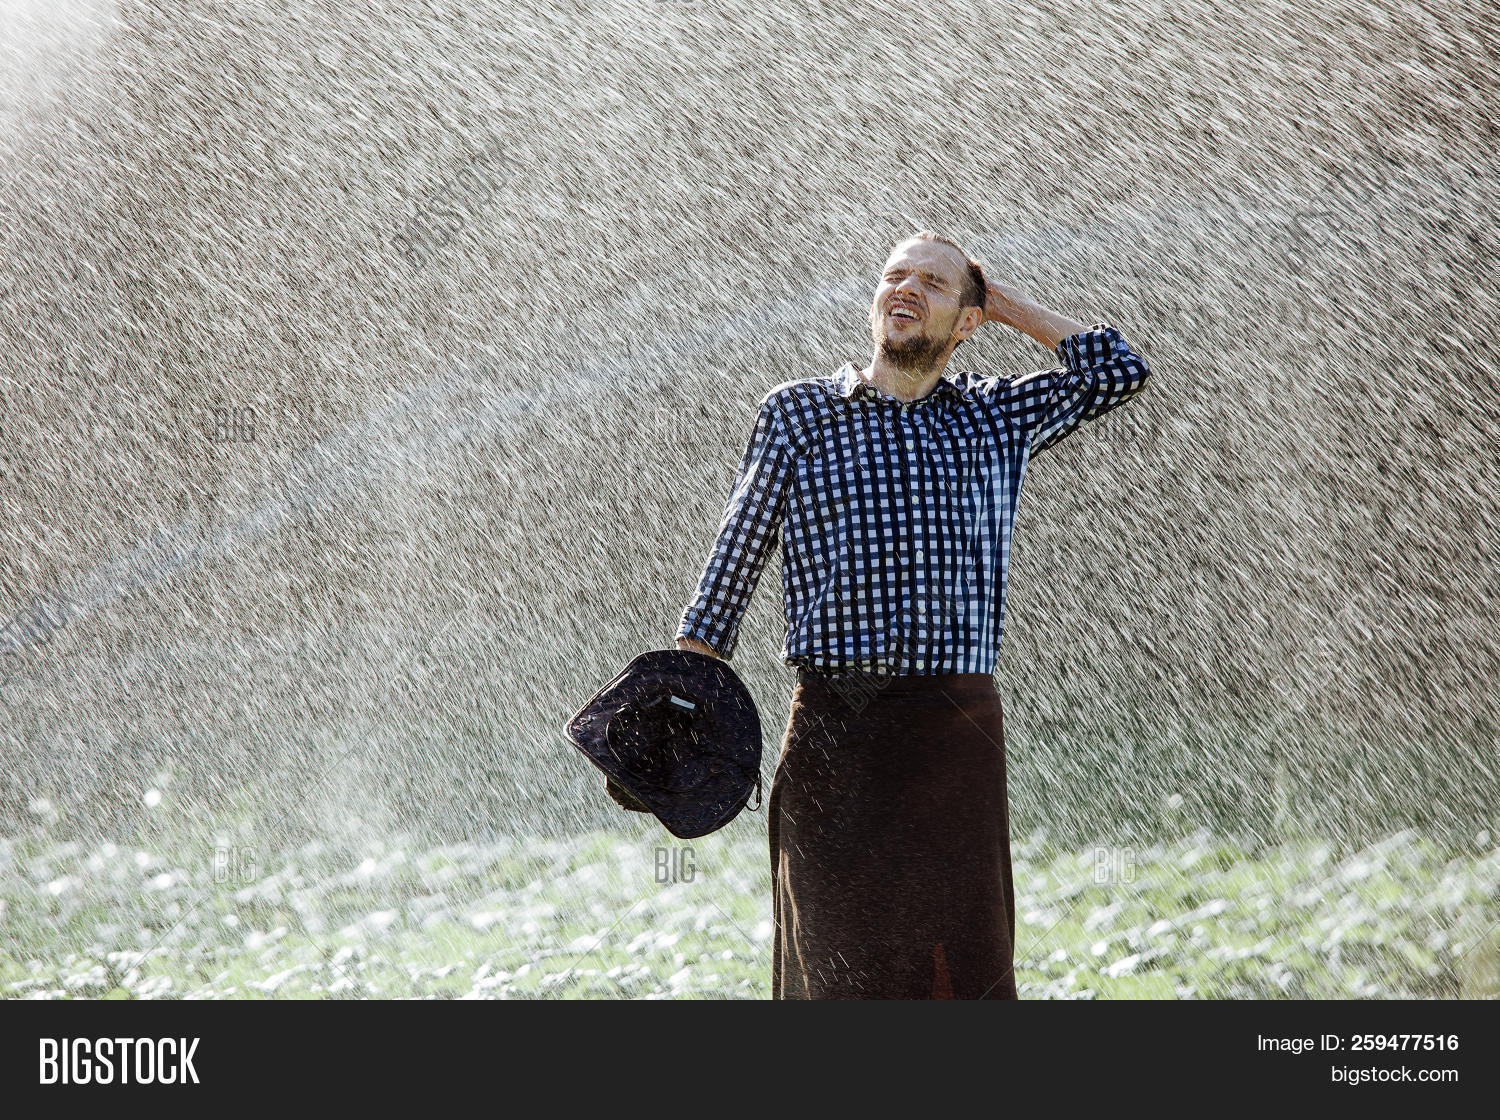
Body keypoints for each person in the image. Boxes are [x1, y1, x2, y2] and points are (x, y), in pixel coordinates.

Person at [674, 231, 1152, 999]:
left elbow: (1118, 370)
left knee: (961, 963)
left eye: (931, 283)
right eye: (895, 275)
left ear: (967, 322)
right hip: (836, 721)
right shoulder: (799, 413)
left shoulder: (995, 416)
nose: (906, 288)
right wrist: (690, 670)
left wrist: (1001, 303)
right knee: (835, 962)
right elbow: (739, 546)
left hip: (954, 729)